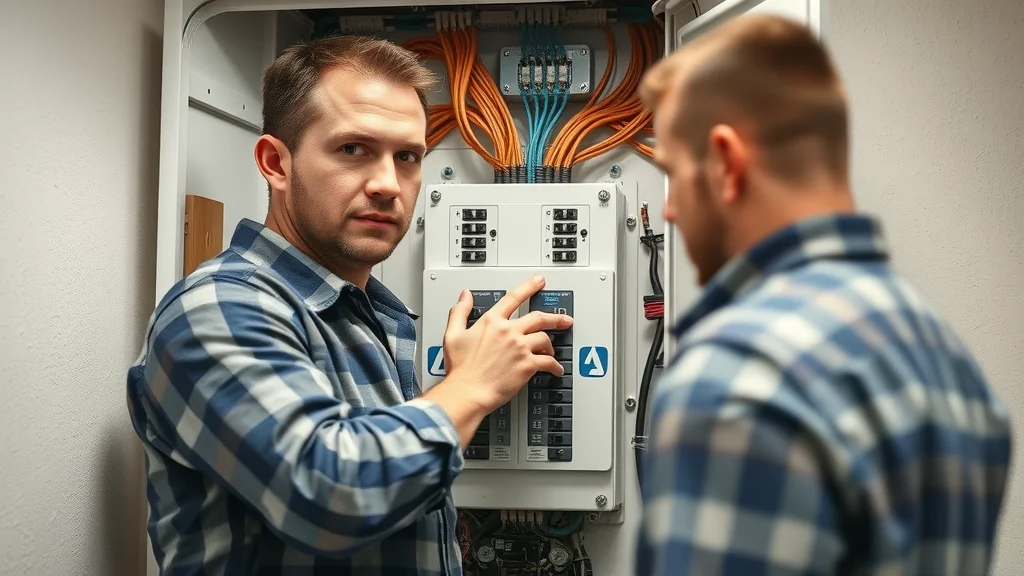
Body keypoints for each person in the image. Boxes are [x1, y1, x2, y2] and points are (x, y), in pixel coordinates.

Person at [126, 36, 571, 574]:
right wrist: (471, 387)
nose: (388, 184)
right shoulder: (215, 309)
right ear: (275, 163)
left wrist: (464, 389)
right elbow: (329, 495)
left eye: (407, 157)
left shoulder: (376, 319)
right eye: (353, 149)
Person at [634, 14, 1012, 575]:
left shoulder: (734, 379)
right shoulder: (951, 364)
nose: (668, 210)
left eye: (673, 175)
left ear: (726, 163)